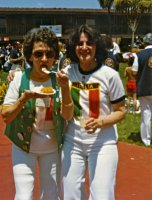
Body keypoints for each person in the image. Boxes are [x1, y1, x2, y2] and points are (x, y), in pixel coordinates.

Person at [1, 27, 73, 200]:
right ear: (30, 56)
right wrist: (24, 99)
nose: (44, 59)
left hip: (52, 148)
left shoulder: (61, 81)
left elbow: (68, 116)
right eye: (38, 54)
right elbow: (6, 116)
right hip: (23, 147)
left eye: (49, 54)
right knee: (24, 196)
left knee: (51, 195)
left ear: (55, 57)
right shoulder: (19, 79)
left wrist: (64, 89)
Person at [61, 24, 126, 200]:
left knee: (102, 196)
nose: (84, 48)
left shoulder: (110, 75)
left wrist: (101, 122)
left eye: (89, 43)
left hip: (103, 142)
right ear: (73, 48)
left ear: (96, 46)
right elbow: (42, 74)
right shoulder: (66, 73)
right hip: (72, 142)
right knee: (71, 195)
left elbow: (121, 111)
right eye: (79, 43)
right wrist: (19, 74)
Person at [132, 33, 152, 146]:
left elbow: (134, 72)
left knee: (146, 114)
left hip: (144, 87)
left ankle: (146, 140)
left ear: (144, 42)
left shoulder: (139, 55)